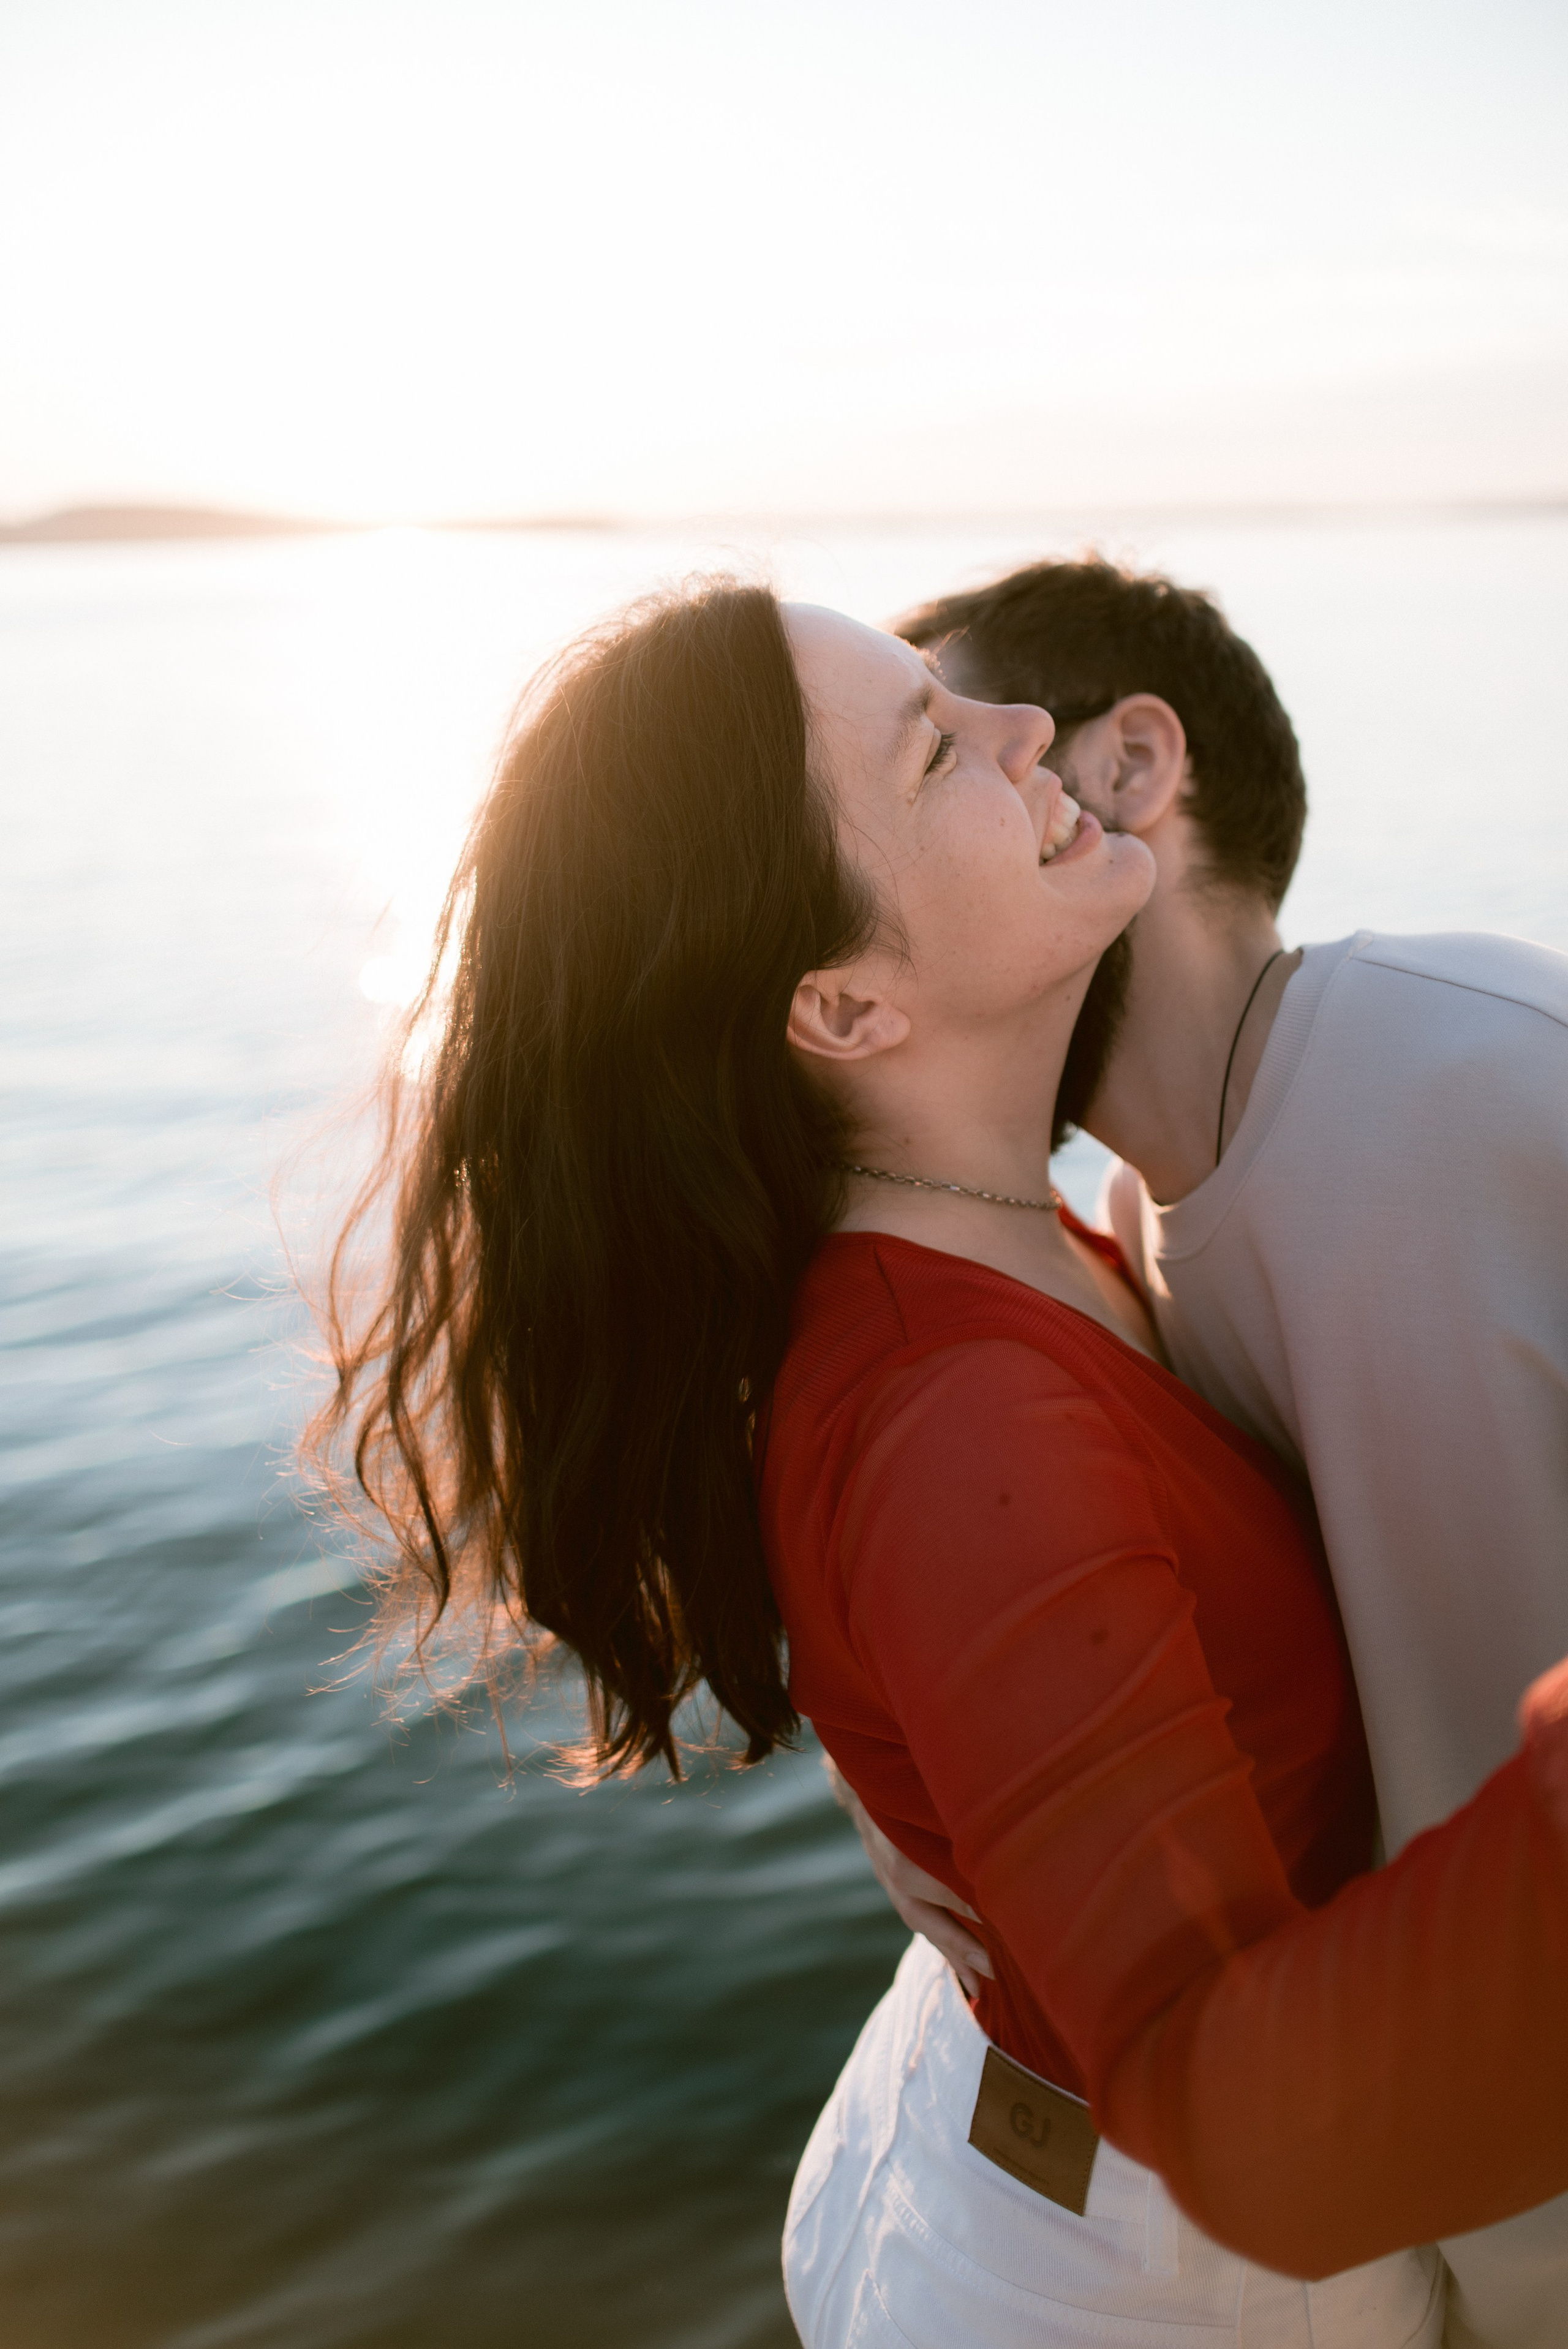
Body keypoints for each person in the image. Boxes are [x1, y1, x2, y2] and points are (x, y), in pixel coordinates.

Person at [309, 578, 1568, 2349]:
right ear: (842, 1009)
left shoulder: (1034, 1228)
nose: (1024, 731)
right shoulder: (958, 1411)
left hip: (1010, 2143)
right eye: (936, 750)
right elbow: (1244, 2122)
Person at [835, 556, 1568, 2348]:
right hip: (1458, 2204)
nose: (983, 770)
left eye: (967, 746)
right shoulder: (1143, 1246)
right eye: (938, 764)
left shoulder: (1488, 1072)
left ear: (1132, 768)